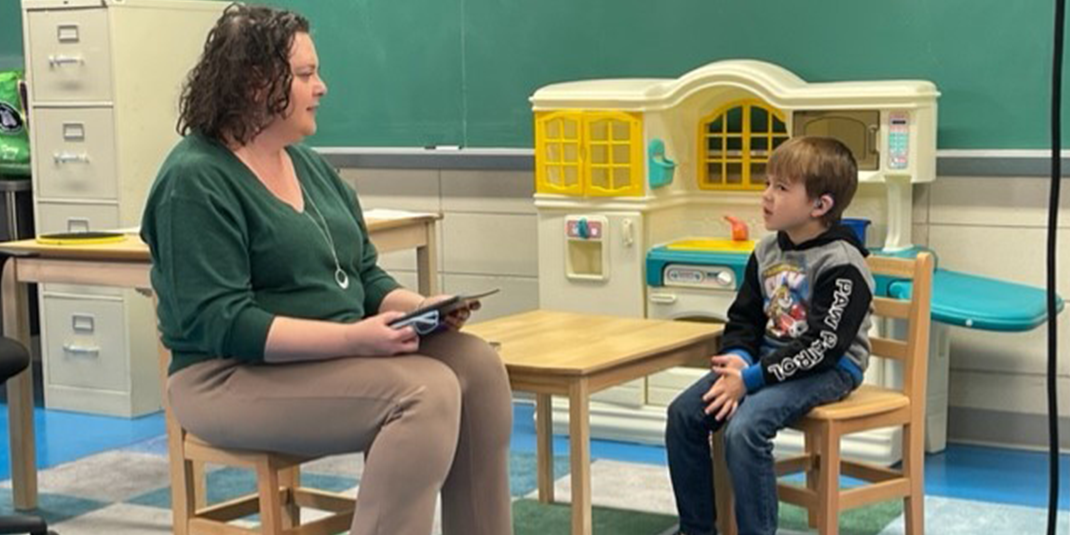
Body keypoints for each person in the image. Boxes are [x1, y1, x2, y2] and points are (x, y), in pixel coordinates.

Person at [140, 5, 513, 535]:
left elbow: (364, 276)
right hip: (225, 378)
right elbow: (225, 324)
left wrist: (419, 309)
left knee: (476, 365)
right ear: (254, 81)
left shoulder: (308, 164)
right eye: (306, 74)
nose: (322, 87)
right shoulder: (194, 180)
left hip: (321, 359)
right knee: (424, 394)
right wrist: (356, 341)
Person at [665, 136, 875, 535]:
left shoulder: (843, 264)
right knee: (683, 415)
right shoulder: (765, 251)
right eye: (767, 184)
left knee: (746, 429)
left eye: (781, 188)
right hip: (763, 362)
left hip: (829, 368)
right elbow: (743, 318)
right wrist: (741, 357)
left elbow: (822, 347)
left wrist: (749, 380)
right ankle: (697, 529)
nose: (766, 196)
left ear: (820, 205)